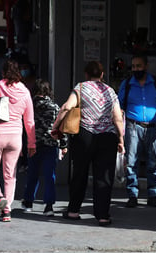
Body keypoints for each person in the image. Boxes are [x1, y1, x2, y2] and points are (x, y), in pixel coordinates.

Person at [51, 61, 124, 226]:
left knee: (79, 173)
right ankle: (103, 215)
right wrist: (121, 139)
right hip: (107, 137)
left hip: (84, 135)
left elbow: (66, 107)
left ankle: (73, 211)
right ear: (102, 75)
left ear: (86, 74)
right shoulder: (110, 91)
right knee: (104, 177)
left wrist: (56, 128)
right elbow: (117, 117)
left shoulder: (81, 87)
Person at [118, 53, 156, 208]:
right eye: (133, 66)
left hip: (154, 128)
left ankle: (153, 194)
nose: (136, 69)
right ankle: (132, 195)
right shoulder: (127, 84)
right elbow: (119, 106)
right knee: (131, 161)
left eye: (139, 66)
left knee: (153, 162)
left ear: (146, 66)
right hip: (133, 126)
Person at [0, 59, 36, 222]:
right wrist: (31, 143)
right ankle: (6, 211)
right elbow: (29, 122)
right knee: (10, 175)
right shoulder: (25, 91)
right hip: (15, 138)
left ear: (3, 72)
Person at [21, 79, 68, 216]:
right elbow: (60, 127)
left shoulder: (29, 106)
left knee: (32, 175)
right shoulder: (54, 106)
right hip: (50, 145)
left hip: (33, 144)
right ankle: (48, 206)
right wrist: (63, 145)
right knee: (50, 176)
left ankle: (28, 202)